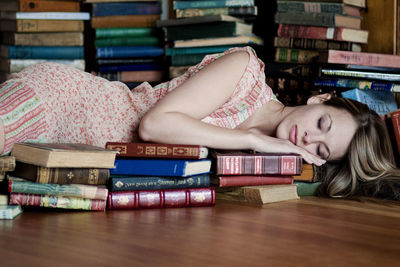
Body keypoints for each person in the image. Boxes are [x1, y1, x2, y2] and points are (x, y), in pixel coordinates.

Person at [0, 46, 399, 199]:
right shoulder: (245, 71)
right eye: (323, 123)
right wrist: (254, 141)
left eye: (320, 150)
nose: (309, 138)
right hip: (61, 104)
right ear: (319, 98)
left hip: (71, 161)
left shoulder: (258, 167)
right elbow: (154, 127)